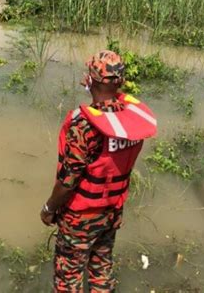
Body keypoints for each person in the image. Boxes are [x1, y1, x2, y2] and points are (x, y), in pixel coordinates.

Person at [40, 50, 157, 292]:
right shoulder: (130, 122)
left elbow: (68, 181)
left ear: (90, 80)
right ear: (121, 81)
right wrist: (95, 88)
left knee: (68, 279)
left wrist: (49, 208)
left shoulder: (84, 126)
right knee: (101, 269)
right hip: (111, 212)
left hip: (80, 219)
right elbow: (113, 102)